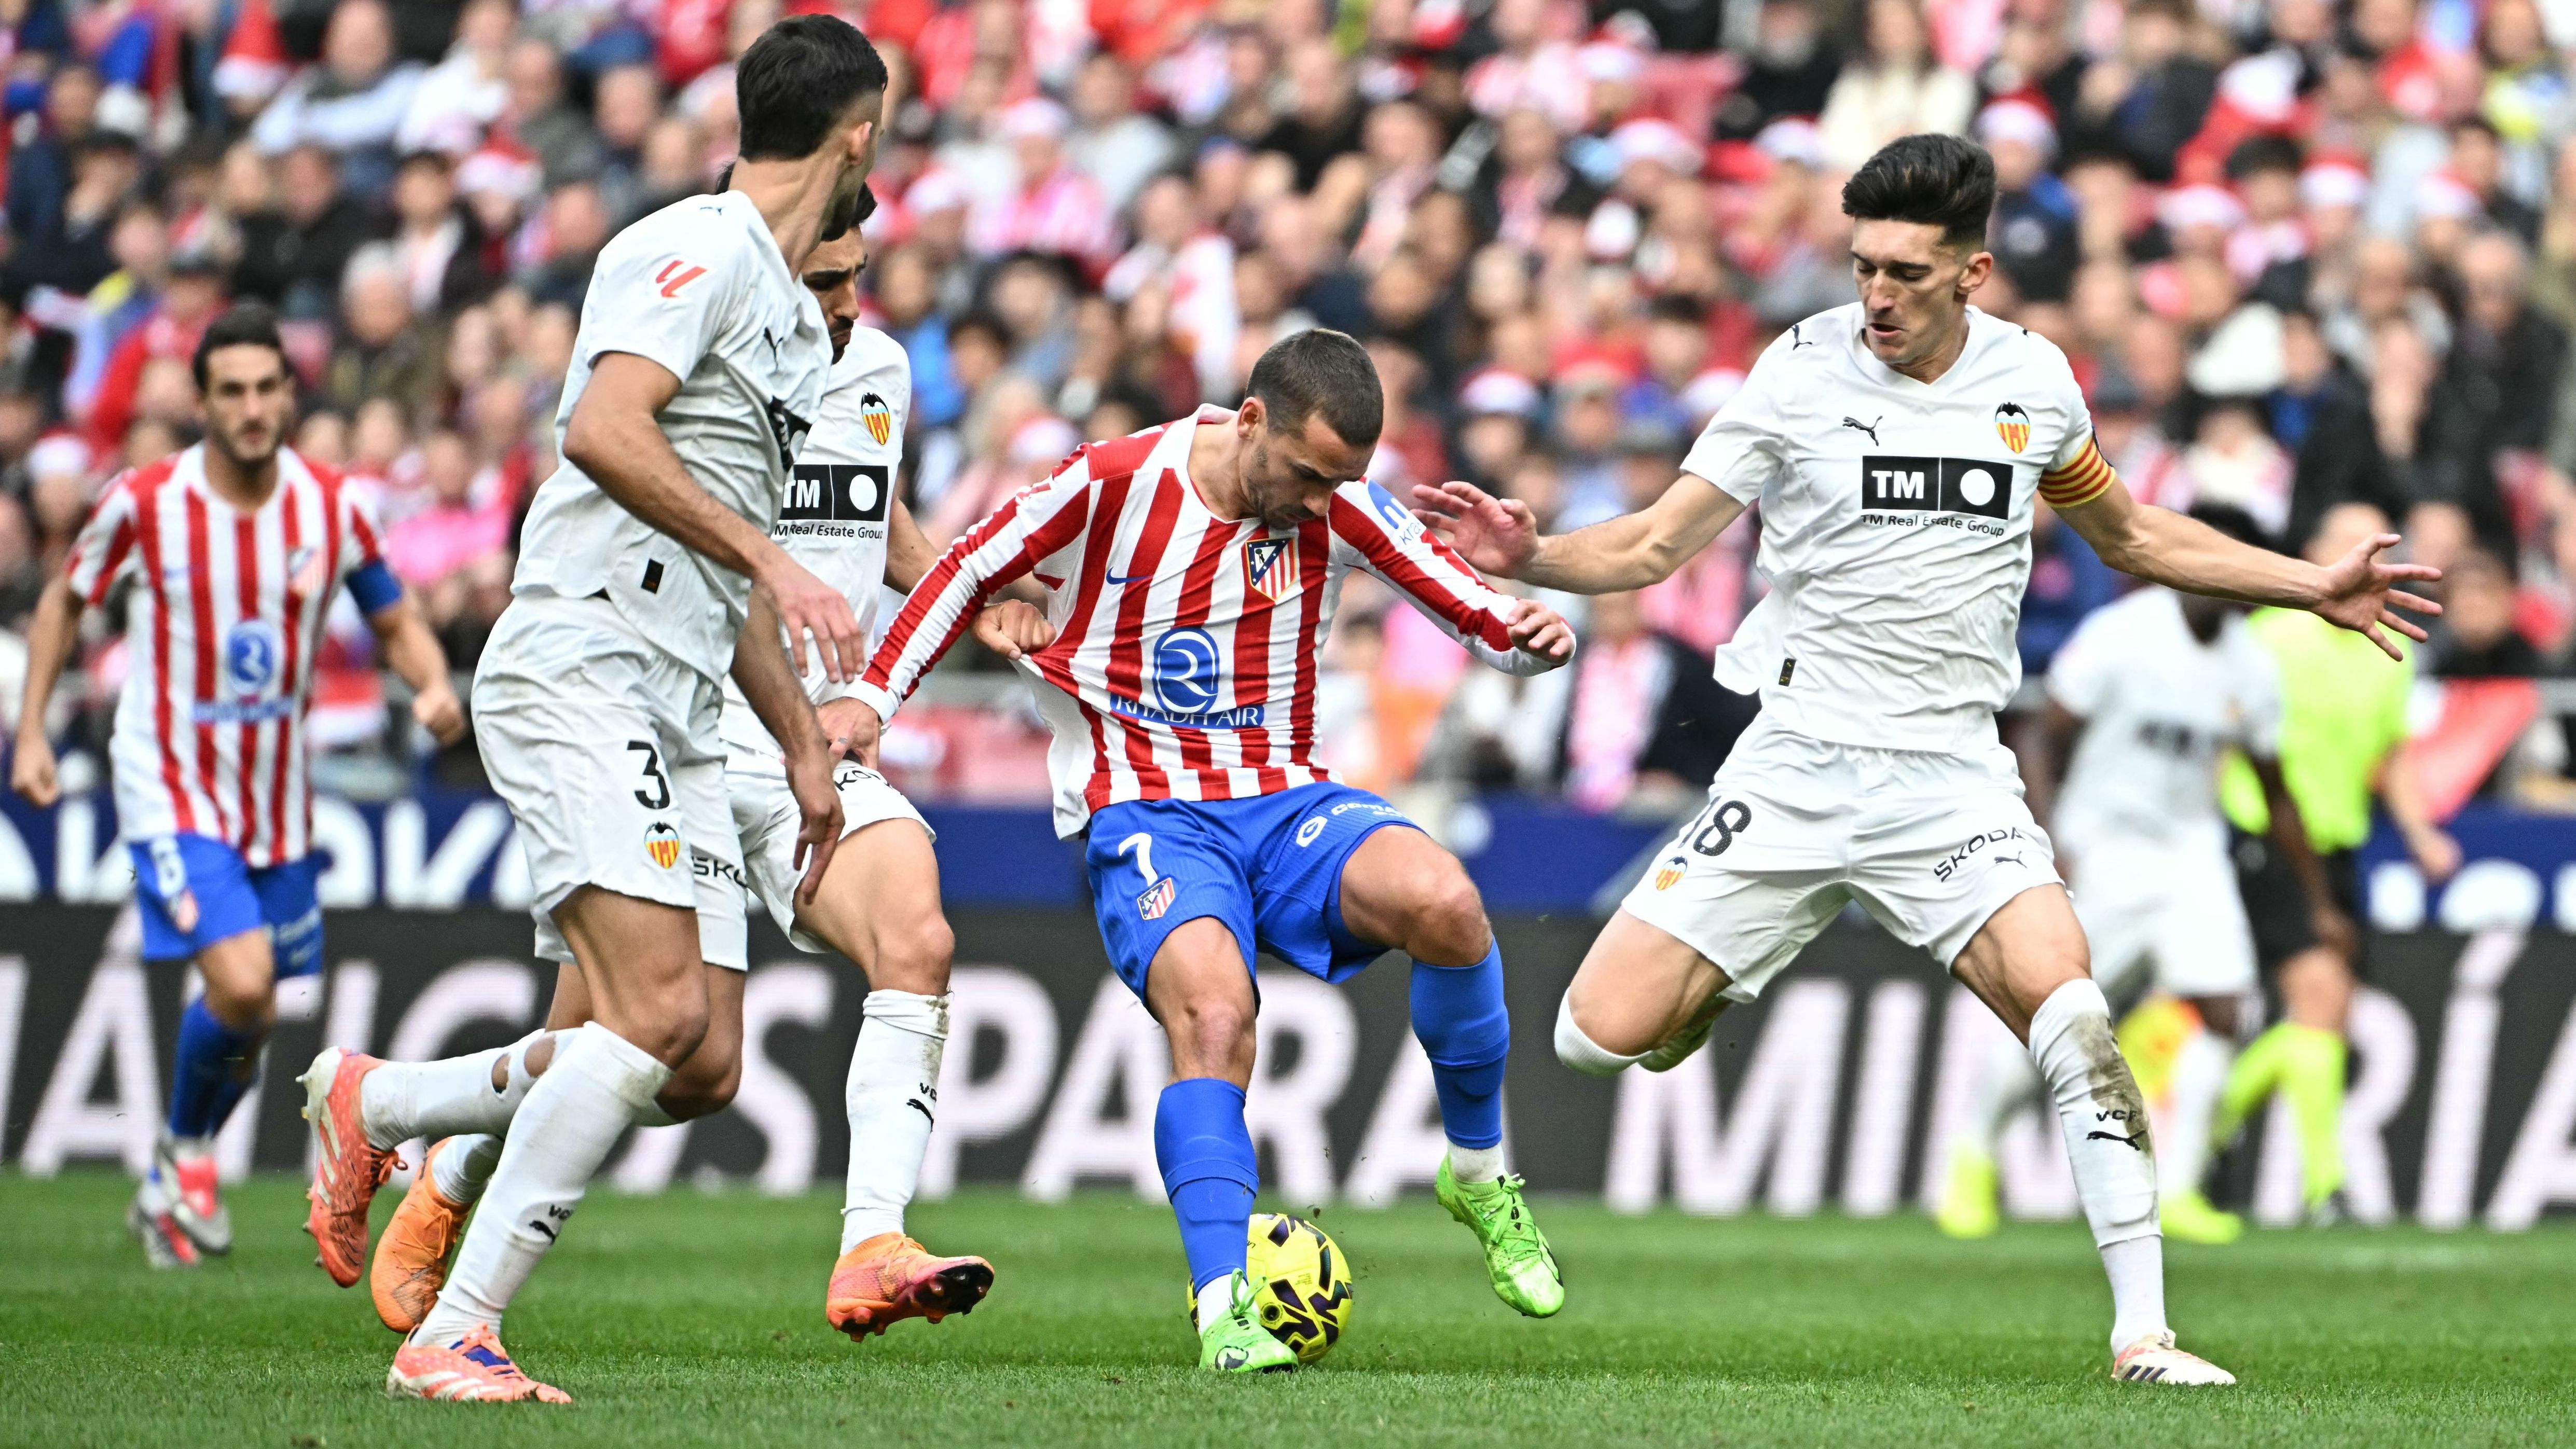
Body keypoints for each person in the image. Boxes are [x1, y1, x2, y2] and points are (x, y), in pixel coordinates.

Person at [1412, 134, 2441, 1386]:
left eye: (1904, 272)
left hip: (1952, 775)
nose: (1876, 297)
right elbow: (1649, 546)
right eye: (1861, 269)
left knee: (2073, 1015)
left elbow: (2127, 535)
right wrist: (1527, 557)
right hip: (1794, 762)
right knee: (1594, 1038)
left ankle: (2144, 1335)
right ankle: (1752, 953)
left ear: (1973, 272)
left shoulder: (2033, 382)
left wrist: (2307, 585)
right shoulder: (1794, 373)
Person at [294, 15, 889, 1404]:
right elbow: (604, 434)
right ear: (858, 130)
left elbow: (725, 560)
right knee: (649, 1010)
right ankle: (456, 1332)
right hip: (584, 657)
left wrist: (803, 751)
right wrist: (775, 557)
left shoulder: (793, 316)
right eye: (885, 126)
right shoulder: (688, 248)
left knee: (695, 1056)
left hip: (678, 691)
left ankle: (379, 1104)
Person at [348, 216, 1043, 1345]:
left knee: (915, 929)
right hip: (684, 716)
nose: (844, 304)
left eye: (855, 278)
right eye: (822, 281)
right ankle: (429, 1139)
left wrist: (976, 598)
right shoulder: (710, 359)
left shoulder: (876, 366)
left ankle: (873, 1235)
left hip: (812, 733)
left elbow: (870, 521)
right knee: (677, 1059)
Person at [844, 327, 1579, 1374]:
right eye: (1310, 474)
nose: (1325, 505)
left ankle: (1476, 1173)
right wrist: (873, 698)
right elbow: (964, 567)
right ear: (1248, 421)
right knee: (1217, 1016)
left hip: (1282, 799)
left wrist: (1520, 631)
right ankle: (1223, 1309)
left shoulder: (1340, 499)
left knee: (1446, 904)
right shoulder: (1111, 479)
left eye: (1345, 483)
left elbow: (1455, 596)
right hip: (1145, 809)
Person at [7, 302, 465, 1269]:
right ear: (204, 401)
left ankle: (179, 1153)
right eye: (233, 391)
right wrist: (35, 734)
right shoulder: (147, 499)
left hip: (275, 796)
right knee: (246, 980)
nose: (253, 408)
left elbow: (392, 615)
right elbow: (64, 600)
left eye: (268, 388)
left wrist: (428, 680)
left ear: (290, 396)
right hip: (169, 779)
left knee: (254, 1013)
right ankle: (183, 1155)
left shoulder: (332, 507)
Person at [1936, 503, 2352, 1248]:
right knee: (2049, 1013)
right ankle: (1972, 1157)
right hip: (2105, 849)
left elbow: (2276, 788)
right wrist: (2049, 837)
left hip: (2191, 853)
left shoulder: (2250, 662)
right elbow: (2040, 735)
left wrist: (2316, 900)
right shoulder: (2123, 636)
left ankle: (2183, 1187)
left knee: (2225, 1010)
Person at [2210, 500, 2462, 1222]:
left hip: (2338, 842)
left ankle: (2205, 1126)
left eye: (2379, 541)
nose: (2366, 554)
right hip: (2261, 833)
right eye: (2349, 539)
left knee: (2327, 1011)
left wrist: (2420, 835)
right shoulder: (2269, 636)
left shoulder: (2394, 646)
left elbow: (2390, 755)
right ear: (2315, 553)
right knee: (2320, 995)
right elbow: (2224, 740)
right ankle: (2325, 1184)